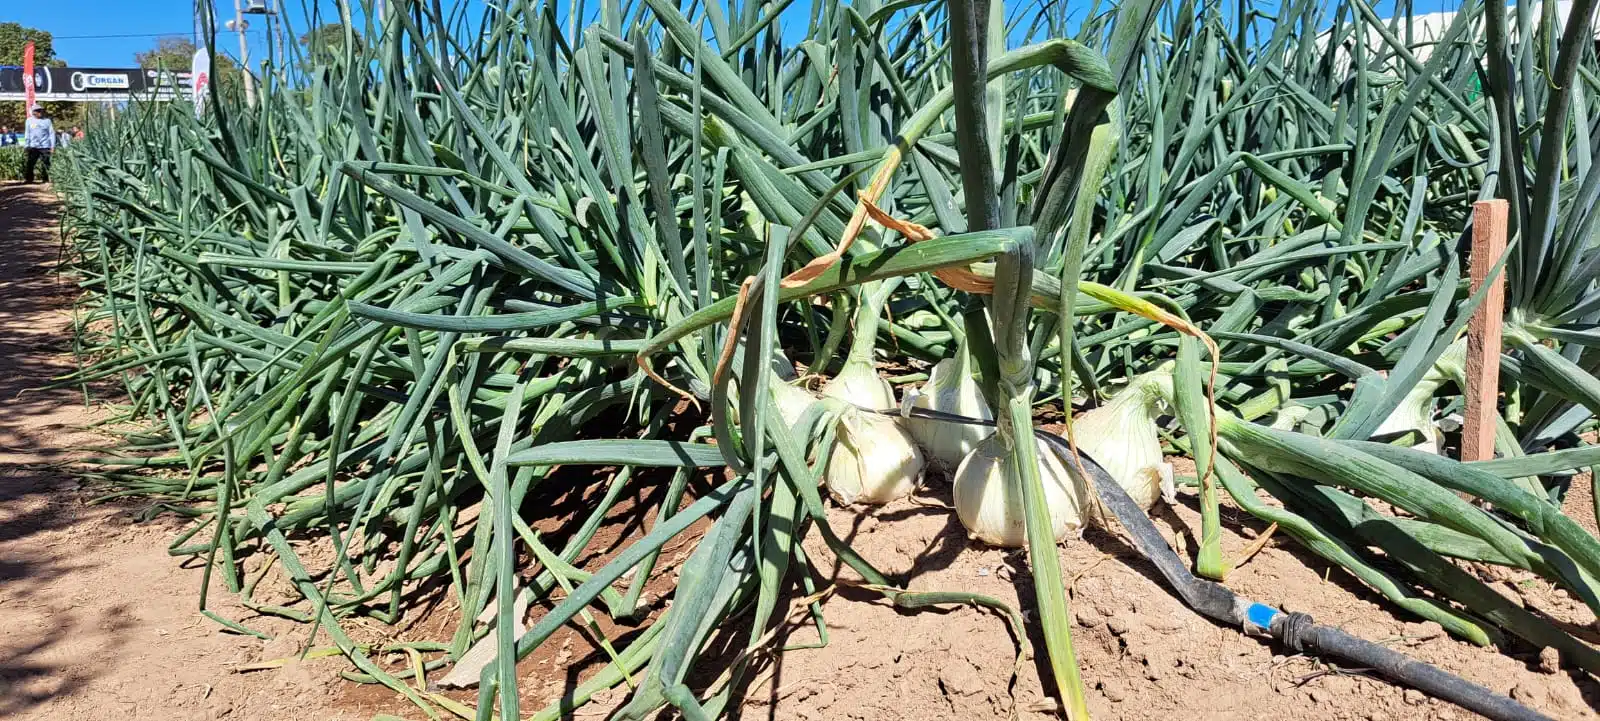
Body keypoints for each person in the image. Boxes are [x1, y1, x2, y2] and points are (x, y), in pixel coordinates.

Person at [23, 106, 55, 184]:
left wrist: (52, 146)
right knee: (30, 163)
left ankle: (45, 179)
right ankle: (29, 179)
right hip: (33, 146)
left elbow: (51, 133)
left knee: (46, 163)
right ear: (33, 112)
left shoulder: (47, 121)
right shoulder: (29, 121)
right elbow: (27, 133)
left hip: (45, 146)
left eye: (41, 110)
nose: (40, 112)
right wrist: (26, 145)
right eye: (38, 111)